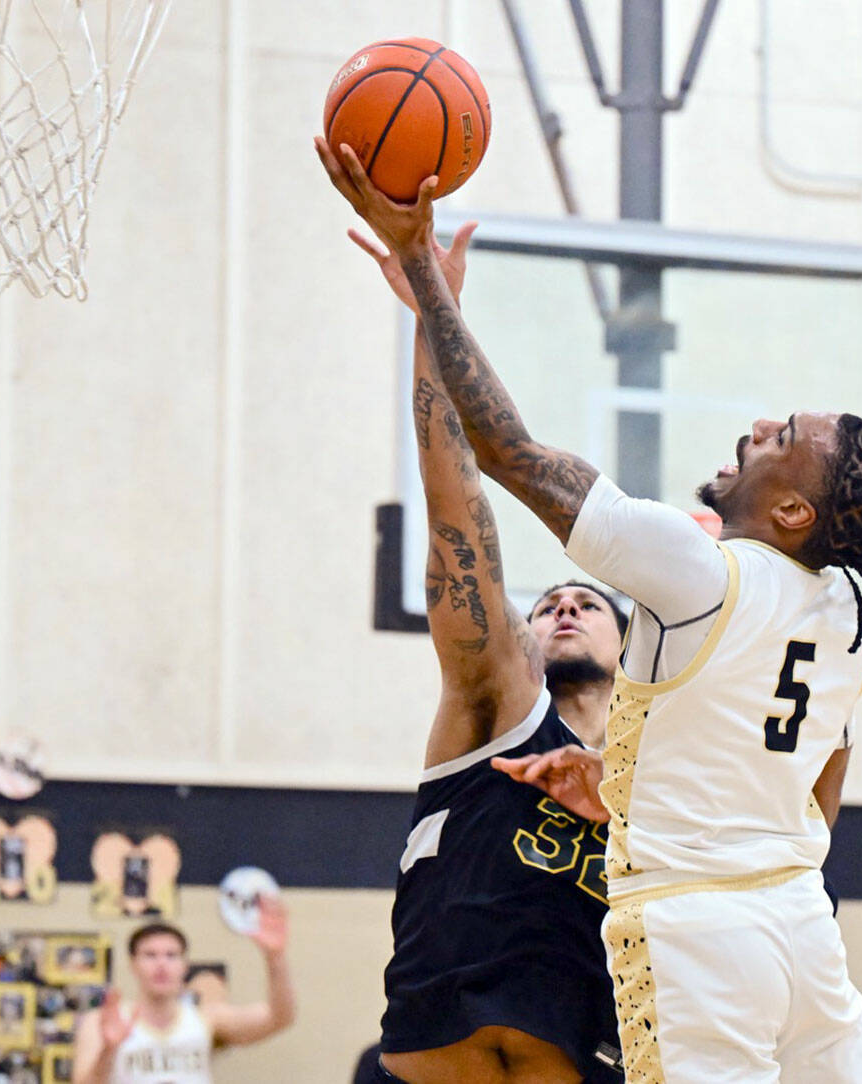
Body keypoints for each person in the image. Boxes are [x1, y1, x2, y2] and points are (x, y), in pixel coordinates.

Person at [316, 137, 862, 1083]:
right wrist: (649, 793)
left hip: (696, 927)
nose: (757, 426)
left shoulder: (699, 572)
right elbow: (824, 760)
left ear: (795, 510)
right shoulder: (850, 616)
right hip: (799, 919)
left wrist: (428, 281)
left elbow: (508, 452)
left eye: (783, 438)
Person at [348, 218, 624, 1083]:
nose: (567, 604)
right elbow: (456, 509)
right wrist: (436, 313)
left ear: (633, 644)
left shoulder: (664, 776)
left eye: (588, 600)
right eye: (548, 603)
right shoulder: (498, 706)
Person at [71, 903, 296, 1084]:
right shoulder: (100, 1022)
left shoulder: (206, 1018)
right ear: (133, 965)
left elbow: (279, 1018)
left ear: (184, 966)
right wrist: (109, 1050)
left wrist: (275, 958)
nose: (161, 965)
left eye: (171, 955)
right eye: (150, 955)